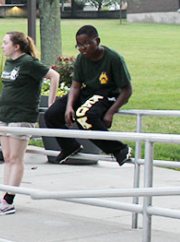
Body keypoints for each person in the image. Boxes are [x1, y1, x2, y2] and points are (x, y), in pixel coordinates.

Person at [0, 32, 60, 216]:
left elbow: (54, 76)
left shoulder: (28, 62)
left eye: (5, 43)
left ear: (16, 46)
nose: (2, 46)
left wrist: (51, 103)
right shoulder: (9, 63)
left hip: (22, 115)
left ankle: (10, 199)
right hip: (5, 115)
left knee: (16, 157)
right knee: (7, 157)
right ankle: (4, 196)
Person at [45, 25, 134, 165]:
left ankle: (119, 149)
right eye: (79, 45)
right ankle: (69, 146)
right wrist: (69, 106)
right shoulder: (81, 59)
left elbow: (127, 90)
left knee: (84, 117)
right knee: (51, 114)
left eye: (86, 44)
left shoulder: (113, 59)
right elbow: (76, 86)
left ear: (97, 41)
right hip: (88, 92)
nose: (82, 48)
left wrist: (110, 112)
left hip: (107, 94)